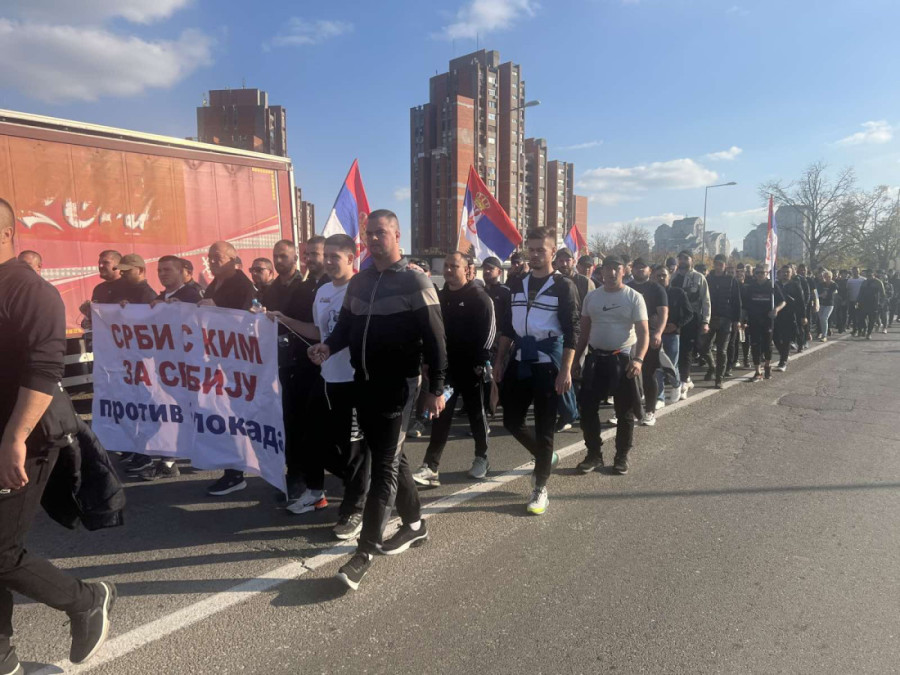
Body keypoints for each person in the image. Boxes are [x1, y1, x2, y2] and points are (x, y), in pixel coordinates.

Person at [0, 198, 116, 671]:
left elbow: (44, 372)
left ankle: (85, 601)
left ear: (7, 233)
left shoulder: (29, 291)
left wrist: (14, 439)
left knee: (0, 552)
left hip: (23, 437)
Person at [309, 210, 447, 591]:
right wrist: (328, 346)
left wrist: (436, 388)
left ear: (397, 235)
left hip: (398, 387)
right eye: (369, 233)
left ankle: (365, 552)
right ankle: (415, 525)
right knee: (392, 456)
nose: (373, 239)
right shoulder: (361, 281)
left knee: (383, 466)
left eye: (381, 233)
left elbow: (436, 340)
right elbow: (346, 327)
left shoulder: (415, 280)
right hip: (363, 383)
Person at [272, 234, 370, 539]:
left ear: (351, 259)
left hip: (353, 381)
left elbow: (359, 335)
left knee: (354, 450)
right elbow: (319, 331)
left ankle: (355, 508)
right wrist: (284, 319)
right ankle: (315, 492)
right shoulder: (324, 291)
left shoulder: (362, 289)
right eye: (325, 256)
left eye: (334, 257)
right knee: (310, 439)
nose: (327, 262)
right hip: (326, 378)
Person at [494, 227, 579, 515]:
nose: (534, 254)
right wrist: (499, 362)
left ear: (553, 252)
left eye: (541, 249)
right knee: (511, 420)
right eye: (531, 249)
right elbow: (508, 327)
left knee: (544, 427)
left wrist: (566, 370)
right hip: (520, 359)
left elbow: (573, 331)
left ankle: (540, 486)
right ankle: (545, 457)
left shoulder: (564, 285)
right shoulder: (517, 282)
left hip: (548, 363)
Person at [413, 252, 495, 487]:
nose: (448, 270)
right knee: (440, 414)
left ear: (467, 269)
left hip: (472, 368)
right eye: (446, 266)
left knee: (476, 414)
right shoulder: (440, 297)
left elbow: (489, 333)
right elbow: (432, 333)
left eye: (454, 266)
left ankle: (482, 458)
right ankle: (431, 467)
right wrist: (428, 361)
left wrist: (481, 362)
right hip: (446, 369)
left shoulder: (480, 297)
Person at [573, 256, 648, 475]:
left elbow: (643, 333)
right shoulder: (592, 297)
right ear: (602, 271)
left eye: (616, 269)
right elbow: (584, 333)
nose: (611, 273)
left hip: (622, 360)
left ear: (624, 271)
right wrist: (576, 360)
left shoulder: (634, 297)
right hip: (595, 359)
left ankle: (621, 456)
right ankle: (594, 454)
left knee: (624, 411)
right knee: (587, 408)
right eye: (607, 269)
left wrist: (638, 359)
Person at [136, 256, 205, 481]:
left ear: (182, 271)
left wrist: (180, 309)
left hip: (188, 367)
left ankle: (183, 456)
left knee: (191, 411)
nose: (162, 274)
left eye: (167, 270)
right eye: (159, 270)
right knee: (169, 411)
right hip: (167, 367)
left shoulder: (192, 295)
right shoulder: (159, 298)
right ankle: (168, 460)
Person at [198, 241, 257, 496]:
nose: (212, 261)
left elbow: (246, 322)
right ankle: (231, 469)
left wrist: (217, 310)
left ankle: (236, 473)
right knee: (222, 415)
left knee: (235, 417)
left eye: (218, 257)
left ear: (233, 259)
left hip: (236, 363)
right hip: (217, 359)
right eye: (210, 256)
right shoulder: (214, 284)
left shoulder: (243, 286)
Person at [552, 247, 594, 432]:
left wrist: (587, 335)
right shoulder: (552, 280)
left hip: (579, 333)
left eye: (567, 260)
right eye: (560, 260)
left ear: (573, 262)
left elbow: (591, 310)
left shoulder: (584, 282)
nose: (564, 264)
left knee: (576, 371)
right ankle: (567, 411)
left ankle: (576, 410)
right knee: (561, 373)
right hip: (558, 333)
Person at [627, 258, 668, 426]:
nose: (639, 270)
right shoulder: (627, 287)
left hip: (649, 336)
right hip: (629, 336)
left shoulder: (656, 288)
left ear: (649, 270)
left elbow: (663, 313)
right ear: (632, 270)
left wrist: (658, 332)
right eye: (636, 267)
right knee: (629, 374)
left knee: (648, 373)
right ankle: (629, 410)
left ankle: (650, 411)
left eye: (643, 267)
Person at [671, 250, 710, 396]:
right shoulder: (673, 277)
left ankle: (684, 381)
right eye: (680, 258)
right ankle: (683, 377)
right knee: (675, 349)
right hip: (675, 319)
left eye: (686, 258)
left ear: (692, 260)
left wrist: (706, 321)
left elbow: (706, 300)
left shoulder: (699, 277)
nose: (682, 261)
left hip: (692, 319)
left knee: (687, 350)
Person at [701, 254, 742, 388]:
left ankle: (719, 378)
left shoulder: (731, 280)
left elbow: (737, 301)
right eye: (716, 263)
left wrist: (736, 320)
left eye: (721, 264)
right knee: (703, 347)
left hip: (726, 319)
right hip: (710, 318)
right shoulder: (708, 279)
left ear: (725, 265)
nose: (718, 266)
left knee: (721, 351)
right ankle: (712, 367)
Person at [653, 265, 692, 404]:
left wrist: (676, 325)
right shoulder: (652, 293)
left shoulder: (678, 292)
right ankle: (660, 397)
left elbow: (689, 313)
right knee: (657, 366)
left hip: (673, 334)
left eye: (664, 275)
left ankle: (676, 384)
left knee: (671, 365)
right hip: (656, 333)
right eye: (658, 275)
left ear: (669, 276)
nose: (661, 278)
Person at [742, 265, 785, 381]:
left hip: (768, 320)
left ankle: (767, 365)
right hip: (754, 319)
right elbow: (745, 305)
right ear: (754, 274)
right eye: (758, 273)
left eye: (762, 272)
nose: (760, 275)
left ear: (767, 273)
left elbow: (783, 301)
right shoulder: (751, 287)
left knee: (767, 344)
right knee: (755, 344)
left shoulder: (772, 286)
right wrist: (742, 320)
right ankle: (757, 371)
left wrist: (776, 309)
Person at [481, 256, 509, 416]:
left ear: (499, 272)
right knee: (485, 375)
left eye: (490, 269)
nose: (486, 271)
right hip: (483, 339)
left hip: (500, 339)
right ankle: (487, 406)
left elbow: (510, 318)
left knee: (498, 374)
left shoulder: (505, 292)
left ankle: (499, 405)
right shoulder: (479, 291)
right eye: (485, 268)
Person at [773, 265, 804, 372]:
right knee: (775, 337)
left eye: (788, 272)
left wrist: (803, 316)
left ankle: (783, 362)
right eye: (783, 272)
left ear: (791, 273)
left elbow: (801, 301)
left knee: (786, 339)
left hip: (790, 315)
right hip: (777, 314)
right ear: (780, 273)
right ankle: (784, 354)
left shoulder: (795, 285)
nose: (785, 274)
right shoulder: (776, 284)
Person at [857, 269, 885, 339]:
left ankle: (869, 333)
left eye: (870, 274)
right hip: (864, 303)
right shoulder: (864, 282)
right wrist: (858, 301)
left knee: (872, 320)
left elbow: (883, 294)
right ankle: (865, 328)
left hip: (874, 304)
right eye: (867, 274)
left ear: (873, 274)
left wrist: (881, 303)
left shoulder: (878, 282)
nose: (868, 275)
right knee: (861, 318)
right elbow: (860, 293)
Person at [816, 270, 838, 341]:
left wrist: (825, 294)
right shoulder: (821, 284)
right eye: (825, 276)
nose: (826, 278)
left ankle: (824, 336)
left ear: (831, 277)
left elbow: (832, 292)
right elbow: (817, 293)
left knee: (824, 318)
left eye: (828, 277)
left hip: (829, 304)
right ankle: (822, 332)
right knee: (821, 319)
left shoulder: (834, 285)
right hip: (821, 304)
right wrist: (821, 295)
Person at [846, 267, 865, 336]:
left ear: (859, 271)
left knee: (860, 316)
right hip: (852, 301)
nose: (855, 272)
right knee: (853, 316)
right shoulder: (849, 280)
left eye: (856, 271)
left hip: (860, 301)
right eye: (853, 271)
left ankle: (861, 329)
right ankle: (855, 330)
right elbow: (847, 290)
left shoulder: (863, 279)